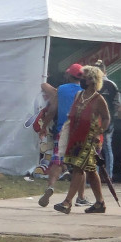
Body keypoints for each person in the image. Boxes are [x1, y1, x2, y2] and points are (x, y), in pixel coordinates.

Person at [53, 66, 110, 214]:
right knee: (90, 171)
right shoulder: (79, 95)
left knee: (78, 168)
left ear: (93, 80)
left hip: (90, 139)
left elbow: (106, 118)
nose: (82, 79)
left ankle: (67, 202)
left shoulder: (98, 99)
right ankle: (100, 203)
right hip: (76, 137)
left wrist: (99, 133)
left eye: (85, 77)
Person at [38, 64, 89, 208]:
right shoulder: (84, 92)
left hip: (61, 131)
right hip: (78, 132)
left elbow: (53, 110)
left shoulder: (61, 89)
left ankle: (51, 186)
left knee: (57, 161)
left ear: (68, 75)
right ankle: (81, 197)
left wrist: (43, 126)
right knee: (79, 166)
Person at [96, 61, 119, 181]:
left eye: (100, 69)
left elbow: (116, 104)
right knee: (97, 147)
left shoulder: (111, 85)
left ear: (104, 71)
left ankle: (108, 175)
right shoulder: (93, 83)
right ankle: (96, 175)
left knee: (105, 146)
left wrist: (111, 119)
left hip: (107, 120)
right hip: (95, 120)